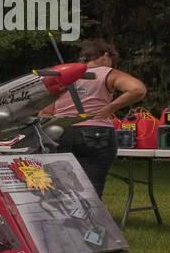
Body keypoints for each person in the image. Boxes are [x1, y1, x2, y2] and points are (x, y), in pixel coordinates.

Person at [40, 38, 147, 197]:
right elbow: (138, 89)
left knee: (58, 187)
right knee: (92, 187)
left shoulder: (62, 75)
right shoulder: (108, 73)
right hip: (97, 132)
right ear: (105, 55)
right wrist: (110, 108)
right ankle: (90, 211)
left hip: (61, 130)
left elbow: (45, 112)